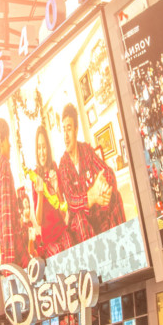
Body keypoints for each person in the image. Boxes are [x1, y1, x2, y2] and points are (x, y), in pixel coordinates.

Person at [57, 104, 125, 244]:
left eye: (69, 129)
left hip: (96, 214)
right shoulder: (63, 165)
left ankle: (122, 248)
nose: (65, 136)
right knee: (81, 219)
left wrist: (105, 188)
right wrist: (92, 196)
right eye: (63, 130)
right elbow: (72, 201)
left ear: (76, 130)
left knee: (115, 197)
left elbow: (107, 172)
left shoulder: (86, 151)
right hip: (80, 222)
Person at [28, 125, 74, 258]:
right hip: (49, 240)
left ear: (48, 148)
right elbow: (39, 221)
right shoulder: (35, 176)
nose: (42, 152)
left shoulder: (54, 168)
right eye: (39, 147)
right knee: (60, 254)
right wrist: (41, 194)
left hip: (62, 230)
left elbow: (64, 212)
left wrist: (57, 190)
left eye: (44, 147)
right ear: (36, 151)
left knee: (71, 249)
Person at [0, 117, 30, 266]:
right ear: (2, 139)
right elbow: (7, 221)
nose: (10, 145)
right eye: (8, 139)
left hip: (13, 248)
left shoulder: (0, 169)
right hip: (15, 252)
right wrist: (9, 267)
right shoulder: (5, 168)